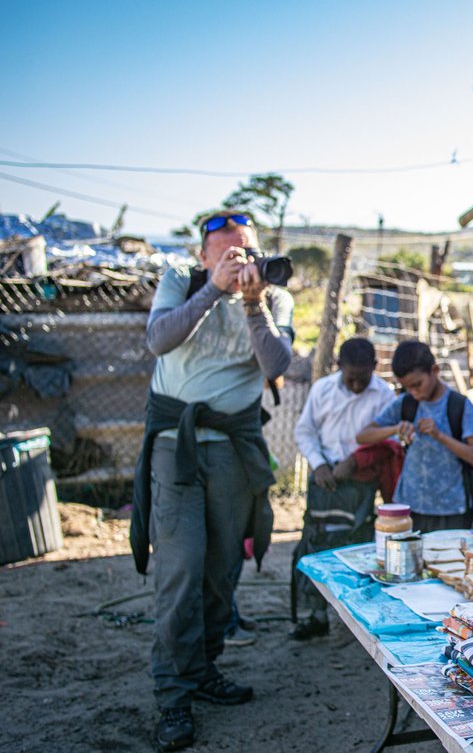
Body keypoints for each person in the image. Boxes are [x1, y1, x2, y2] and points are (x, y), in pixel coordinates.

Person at [130, 209, 293, 752]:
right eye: (224, 252)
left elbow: (275, 363)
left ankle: (203, 670)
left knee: (223, 567)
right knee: (180, 568)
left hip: (233, 449)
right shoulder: (182, 281)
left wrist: (250, 303)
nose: (235, 260)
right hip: (175, 447)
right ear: (204, 257)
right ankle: (173, 696)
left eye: (243, 250)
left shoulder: (272, 295)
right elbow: (158, 341)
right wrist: (212, 292)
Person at [291, 337, 394, 640]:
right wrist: (318, 463)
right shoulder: (323, 389)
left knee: (357, 543)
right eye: (351, 378)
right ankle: (316, 614)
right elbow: (304, 431)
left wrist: (356, 462)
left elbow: (387, 443)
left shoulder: (384, 396)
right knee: (317, 541)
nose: (358, 385)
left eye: (363, 379)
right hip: (324, 478)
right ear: (338, 367)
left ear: (375, 368)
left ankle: (356, 617)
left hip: (361, 482)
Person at [357, 340, 473, 532]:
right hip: (408, 507)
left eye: (417, 385)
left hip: (451, 510)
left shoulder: (459, 406)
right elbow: (363, 436)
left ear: (434, 371)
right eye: (407, 387)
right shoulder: (405, 403)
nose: (414, 393)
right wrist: (395, 429)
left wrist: (439, 435)